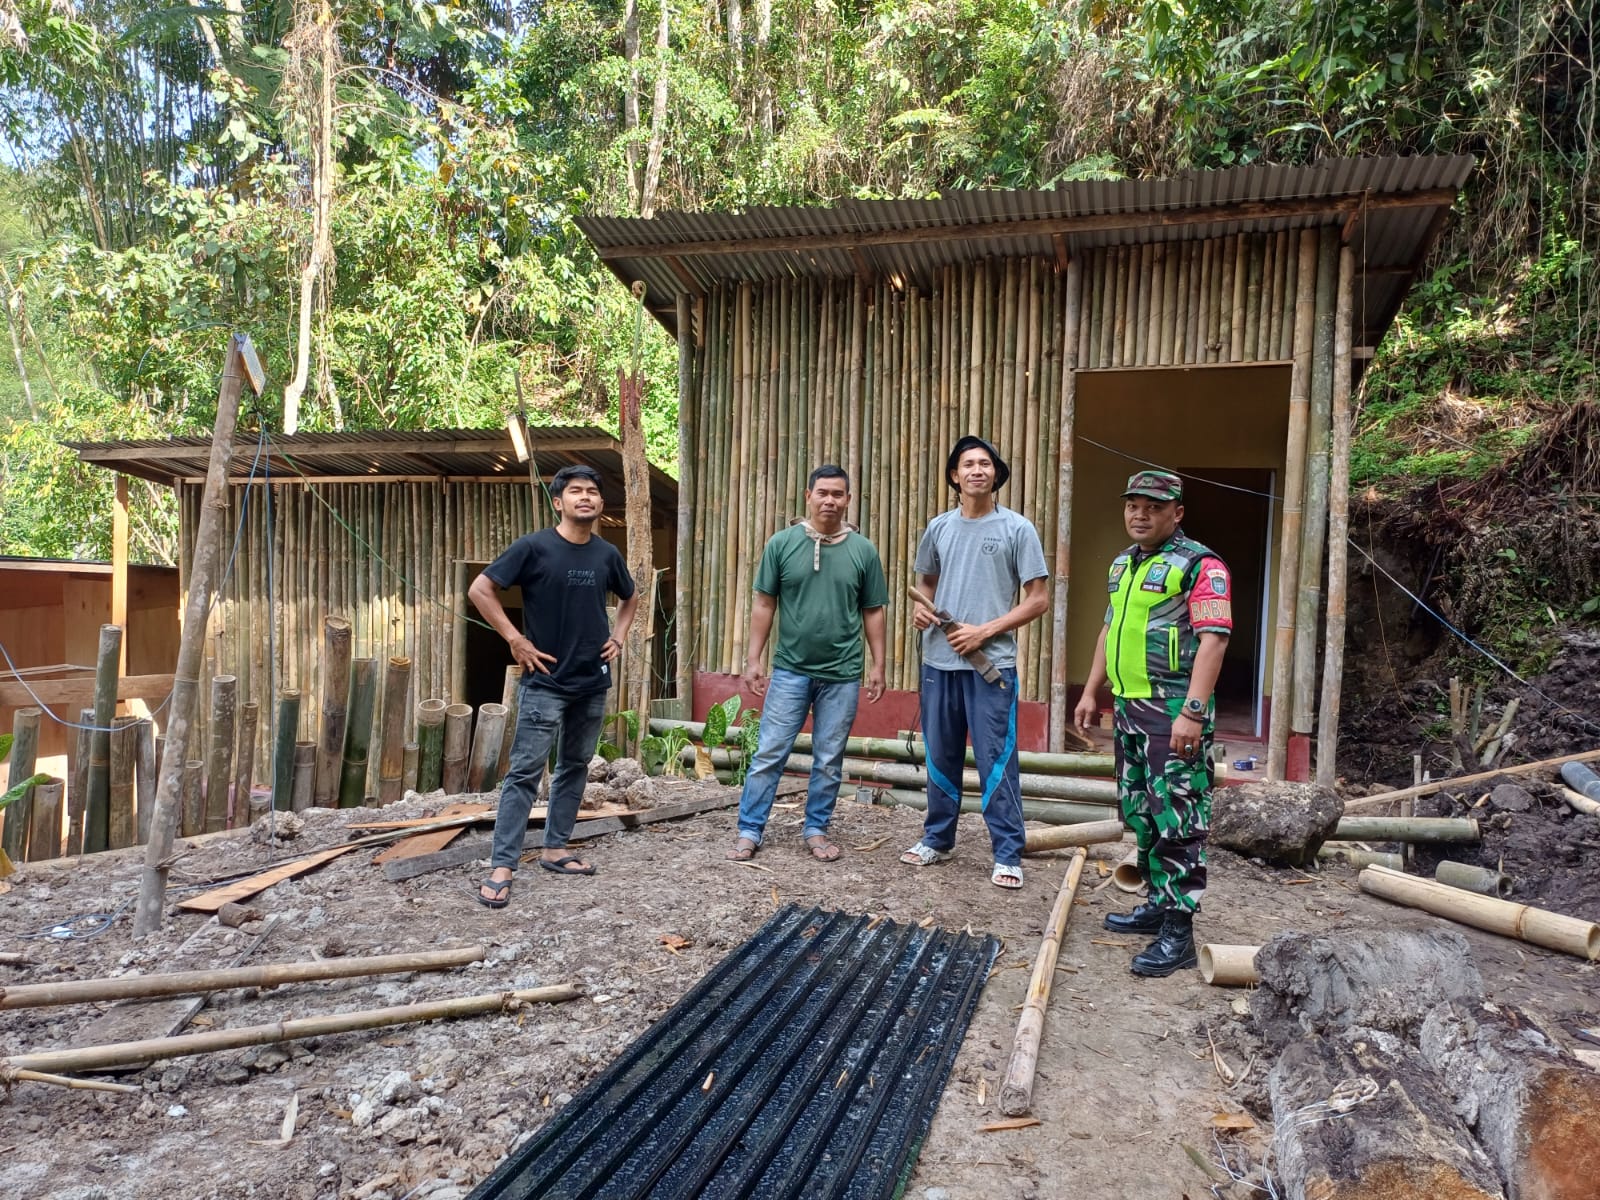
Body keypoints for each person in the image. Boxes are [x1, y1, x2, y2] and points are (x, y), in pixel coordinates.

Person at [1073, 469, 1231, 976]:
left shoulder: (1201, 565)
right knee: (1141, 812)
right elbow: (1109, 627)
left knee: (1179, 820)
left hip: (1172, 713)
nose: (1140, 514)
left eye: (1153, 506)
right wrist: (1092, 689)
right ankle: (1158, 906)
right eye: (1132, 505)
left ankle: (1179, 933)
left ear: (1176, 513)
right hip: (1129, 709)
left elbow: (1215, 640)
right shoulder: (1123, 565)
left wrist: (1192, 710)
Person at [468, 465, 638, 908]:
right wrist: (515, 638)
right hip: (545, 681)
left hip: (592, 681)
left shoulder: (607, 554)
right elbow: (481, 589)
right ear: (558, 502)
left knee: (575, 765)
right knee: (525, 772)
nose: (586, 497)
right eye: (576, 491)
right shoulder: (533, 548)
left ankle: (555, 848)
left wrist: (618, 636)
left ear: (600, 505)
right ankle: (502, 865)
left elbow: (630, 596)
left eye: (593, 492)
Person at [900, 436, 1049, 890]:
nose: (977, 471)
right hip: (939, 661)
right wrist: (921, 611)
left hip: (991, 665)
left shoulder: (1017, 529)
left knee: (995, 759)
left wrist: (984, 631)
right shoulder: (939, 527)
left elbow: (1038, 600)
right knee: (940, 753)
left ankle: (1007, 852)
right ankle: (937, 838)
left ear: (996, 475)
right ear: (954, 475)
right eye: (968, 464)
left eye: (985, 464)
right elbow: (925, 584)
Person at [728, 465, 889, 863]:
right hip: (790, 670)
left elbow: (873, 610)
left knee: (829, 758)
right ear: (808, 495)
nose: (830, 500)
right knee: (770, 752)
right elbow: (764, 603)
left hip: (843, 673)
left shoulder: (863, 551)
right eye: (823, 493)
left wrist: (879, 664)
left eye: (838, 494)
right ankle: (750, 830)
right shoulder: (781, 544)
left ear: (848, 500)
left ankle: (816, 828)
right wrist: (753, 659)